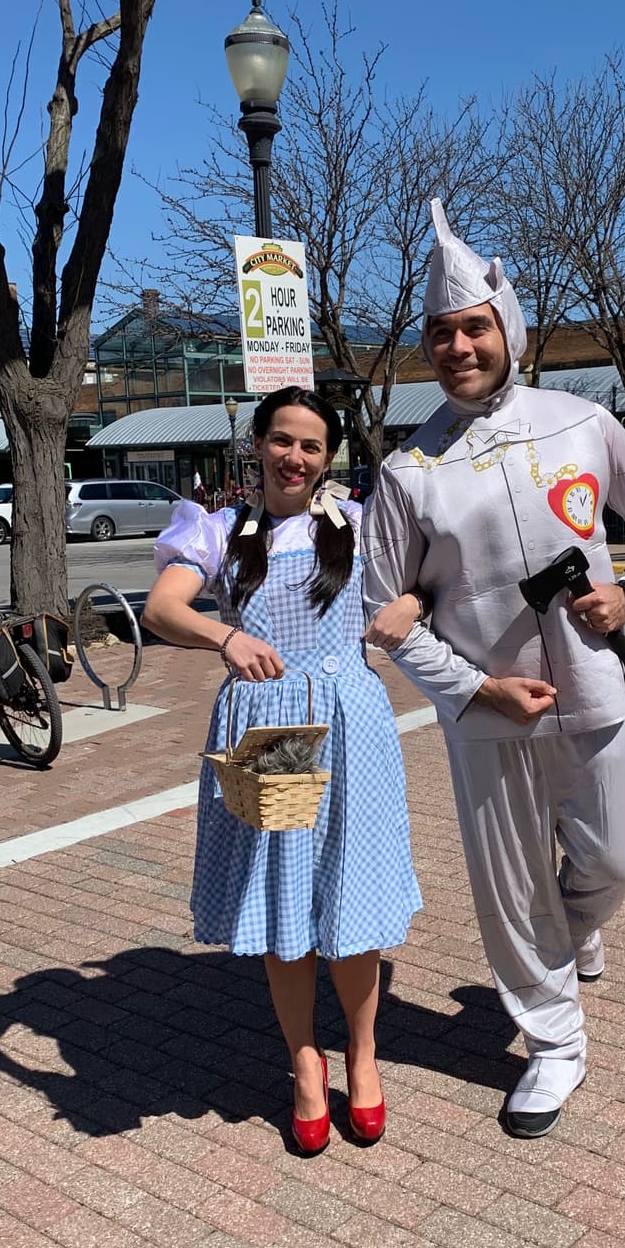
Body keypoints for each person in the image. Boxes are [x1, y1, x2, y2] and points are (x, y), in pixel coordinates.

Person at [362, 201, 625, 1139]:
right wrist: (474, 689)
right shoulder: (410, 472)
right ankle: (553, 1041)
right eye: (441, 334)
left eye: (474, 328)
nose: (459, 347)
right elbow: (387, 615)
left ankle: (578, 928)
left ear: (509, 328)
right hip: (487, 713)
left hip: (593, 687)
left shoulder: (582, 423)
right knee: (509, 885)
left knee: (618, 855)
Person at [142, 387, 423, 1154]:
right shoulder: (219, 528)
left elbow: (433, 568)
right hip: (273, 728)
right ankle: (305, 1060)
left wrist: (414, 600)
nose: (294, 457)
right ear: (256, 443)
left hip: (353, 724)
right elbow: (163, 609)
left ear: (327, 456)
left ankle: (362, 1056)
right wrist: (224, 638)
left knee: (352, 893)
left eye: (311, 446)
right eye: (281, 441)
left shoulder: (359, 524)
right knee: (285, 901)